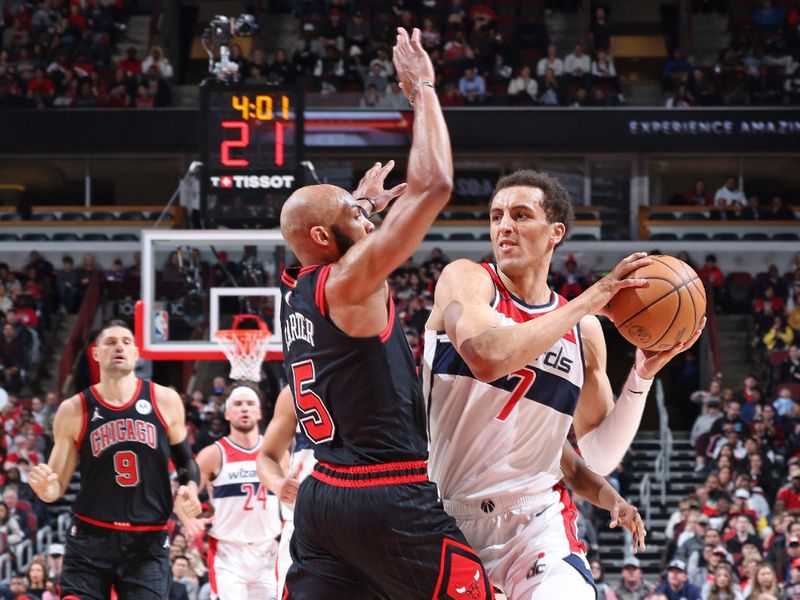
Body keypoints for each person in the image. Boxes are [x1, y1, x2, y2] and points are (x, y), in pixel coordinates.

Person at [276, 28, 493, 599]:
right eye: (354, 212)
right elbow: (435, 184)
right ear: (326, 235)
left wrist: (361, 205)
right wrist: (422, 88)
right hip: (385, 493)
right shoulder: (348, 282)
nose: (366, 215)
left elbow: (320, 234)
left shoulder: (296, 286)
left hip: (323, 494)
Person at [423, 169, 702, 597]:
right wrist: (588, 300)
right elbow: (485, 357)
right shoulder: (468, 280)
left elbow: (595, 454)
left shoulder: (584, 333)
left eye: (520, 215)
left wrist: (642, 375)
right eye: (496, 216)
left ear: (556, 232)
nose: (504, 227)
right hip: (444, 515)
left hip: (535, 521)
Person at [27, 320, 202, 599]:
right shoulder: (74, 409)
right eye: (110, 342)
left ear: (136, 353)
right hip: (89, 539)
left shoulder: (165, 400)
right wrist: (44, 489)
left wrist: (190, 489)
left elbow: (186, 464)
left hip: (147, 541)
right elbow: (54, 488)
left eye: (126, 341)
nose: (119, 346)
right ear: (95, 354)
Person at [178, 385, 282, 600]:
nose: (244, 408)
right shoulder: (213, 454)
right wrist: (188, 520)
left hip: (269, 551)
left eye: (250, 404)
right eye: (238, 404)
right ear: (227, 413)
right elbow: (182, 495)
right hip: (229, 554)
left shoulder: (276, 452)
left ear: (259, 412)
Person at [256, 386, 316, 594]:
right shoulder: (293, 391)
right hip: (304, 521)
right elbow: (266, 456)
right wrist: (277, 483)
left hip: (365, 519)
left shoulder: (387, 376)